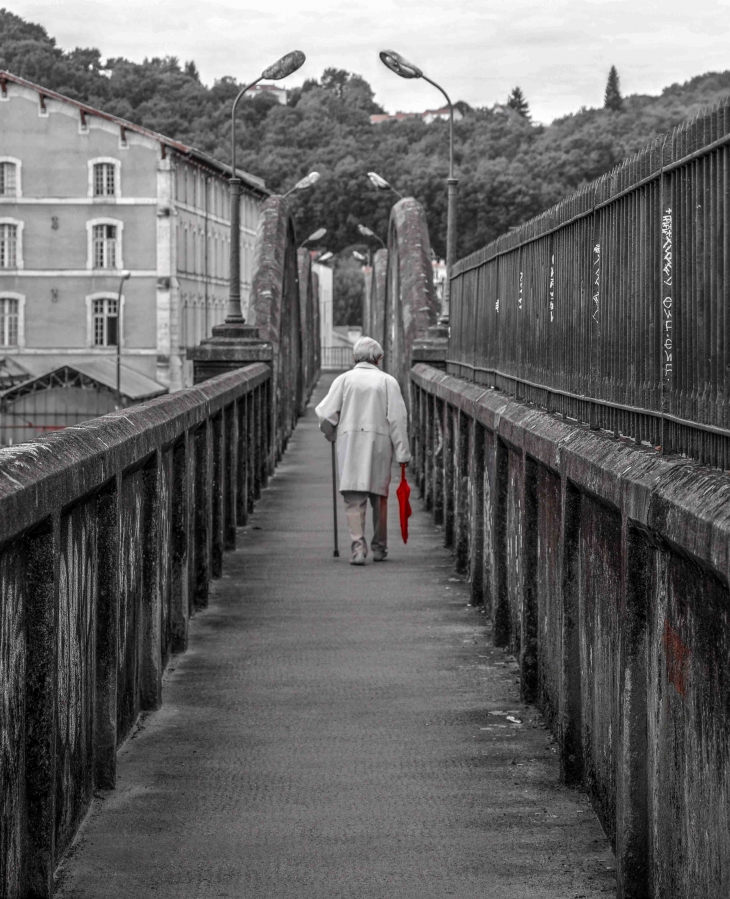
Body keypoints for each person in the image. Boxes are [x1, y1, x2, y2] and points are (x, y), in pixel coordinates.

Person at [315, 336, 411, 566]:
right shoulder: (388, 382)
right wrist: (402, 453)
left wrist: (332, 433)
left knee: (353, 498)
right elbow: (397, 420)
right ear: (378, 358)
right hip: (380, 445)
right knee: (380, 497)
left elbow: (325, 414)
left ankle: (358, 547)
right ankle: (379, 547)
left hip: (351, 444)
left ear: (354, 357)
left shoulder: (344, 380)